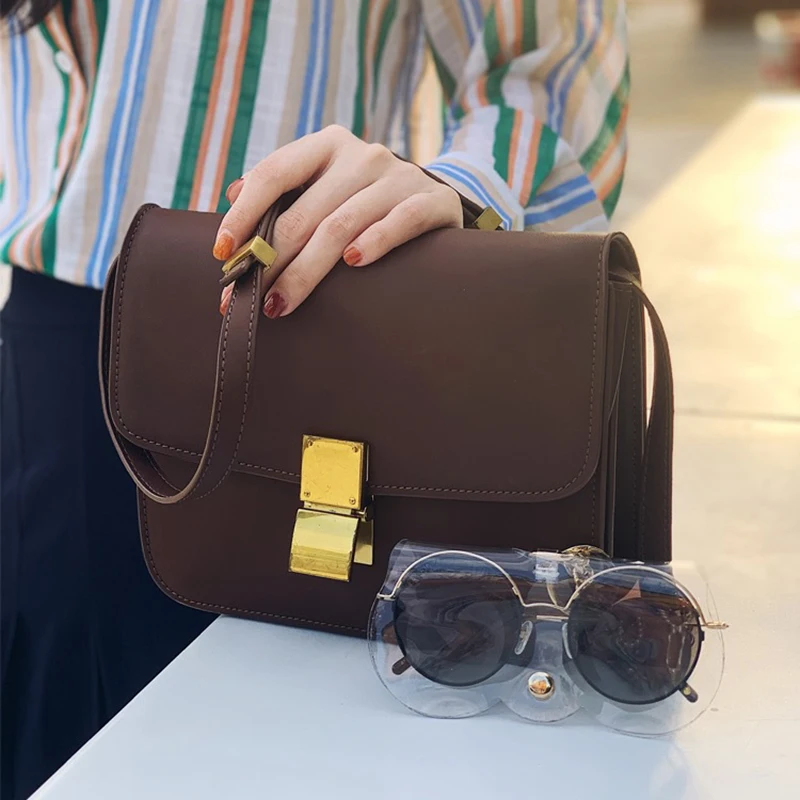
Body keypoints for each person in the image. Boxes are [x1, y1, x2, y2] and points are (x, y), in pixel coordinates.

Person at [0, 1, 628, 796]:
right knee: (58, 730)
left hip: (311, 321)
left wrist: (460, 186)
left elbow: (548, 62)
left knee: (277, 744)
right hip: (60, 345)